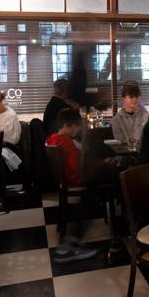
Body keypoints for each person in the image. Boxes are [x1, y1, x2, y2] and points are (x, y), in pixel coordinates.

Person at [45, 109, 97, 263]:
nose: (79, 129)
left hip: (64, 181)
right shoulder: (67, 142)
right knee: (99, 186)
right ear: (68, 125)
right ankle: (72, 241)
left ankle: (71, 237)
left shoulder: (53, 138)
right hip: (75, 180)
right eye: (77, 126)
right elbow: (76, 168)